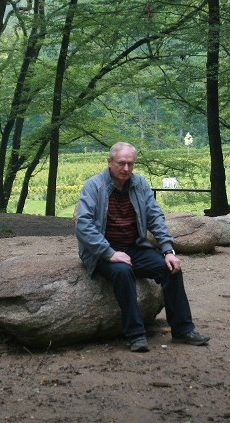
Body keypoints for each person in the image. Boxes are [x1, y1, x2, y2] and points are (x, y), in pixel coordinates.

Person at [74, 142, 210, 352]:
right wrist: (109, 253)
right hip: (102, 250)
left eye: (130, 164)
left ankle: (183, 330)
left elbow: (155, 217)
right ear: (110, 162)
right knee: (122, 271)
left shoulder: (140, 184)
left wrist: (168, 250)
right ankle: (136, 334)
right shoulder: (94, 186)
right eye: (121, 163)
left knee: (171, 269)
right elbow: (83, 225)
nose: (126, 169)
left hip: (134, 246)